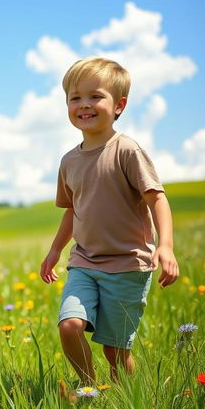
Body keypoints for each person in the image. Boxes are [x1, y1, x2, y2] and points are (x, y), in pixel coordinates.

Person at [40, 57, 179, 384]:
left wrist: (167, 247)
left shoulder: (127, 151)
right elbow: (72, 210)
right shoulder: (69, 161)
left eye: (95, 96)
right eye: (75, 98)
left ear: (119, 105)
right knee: (69, 325)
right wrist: (54, 251)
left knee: (116, 351)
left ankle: (122, 400)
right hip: (84, 262)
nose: (83, 104)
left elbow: (157, 198)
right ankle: (91, 388)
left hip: (128, 265)